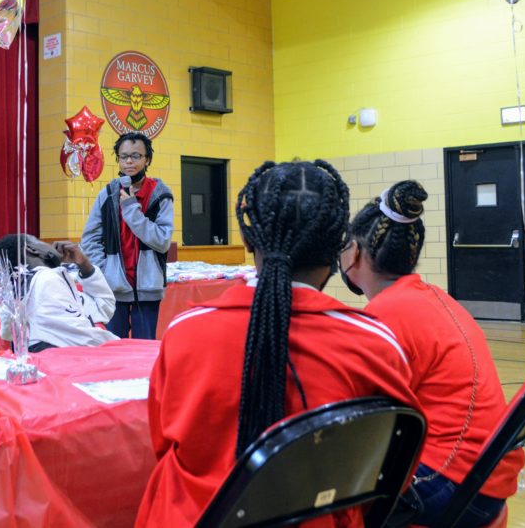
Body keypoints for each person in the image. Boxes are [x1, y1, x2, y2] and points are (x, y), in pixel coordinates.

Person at [136, 161, 420, 527]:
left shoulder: (185, 331)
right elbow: (391, 469)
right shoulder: (376, 344)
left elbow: (162, 446)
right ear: (338, 247)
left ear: (249, 239)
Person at [339, 180, 522, 528]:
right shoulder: (431, 296)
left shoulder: (386, 315)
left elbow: (359, 415)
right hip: (485, 475)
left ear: (356, 253)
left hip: (451, 482)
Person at [81, 131, 173, 340]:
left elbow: (162, 241)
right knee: (115, 347)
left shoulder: (160, 194)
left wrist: (131, 209)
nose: (129, 161)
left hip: (148, 288)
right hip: (114, 288)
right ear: (118, 159)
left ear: (147, 159)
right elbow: (89, 239)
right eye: (124, 156)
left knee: (143, 350)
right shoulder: (107, 193)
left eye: (136, 156)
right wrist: (104, 271)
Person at [0, 234, 118, 351]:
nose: (51, 246)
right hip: (67, 362)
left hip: (57, 361)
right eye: (39, 241)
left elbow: (103, 308)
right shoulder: (47, 279)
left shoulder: (29, 286)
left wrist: (84, 265)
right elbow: (79, 338)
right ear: (32, 249)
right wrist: (114, 347)